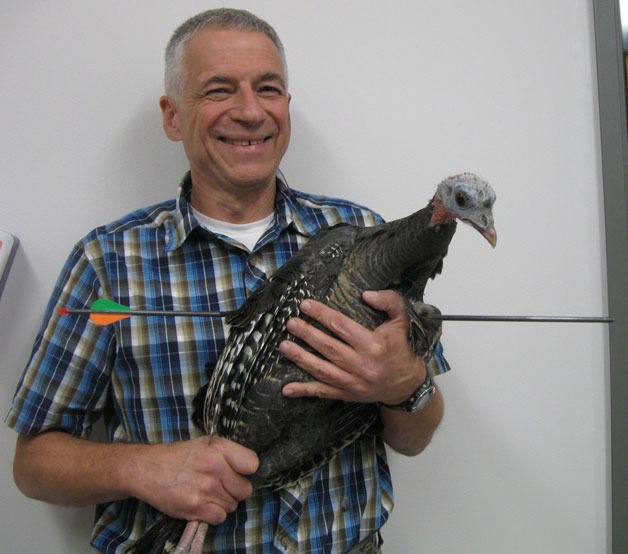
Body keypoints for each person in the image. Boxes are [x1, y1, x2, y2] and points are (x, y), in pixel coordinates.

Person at [7, 8, 447, 553]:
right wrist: (140, 468)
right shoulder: (108, 261)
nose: (249, 111)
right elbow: (33, 464)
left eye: (269, 88)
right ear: (172, 117)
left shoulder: (365, 238)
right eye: (219, 90)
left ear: (287, 107)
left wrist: (405, 386)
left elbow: (418, 432)